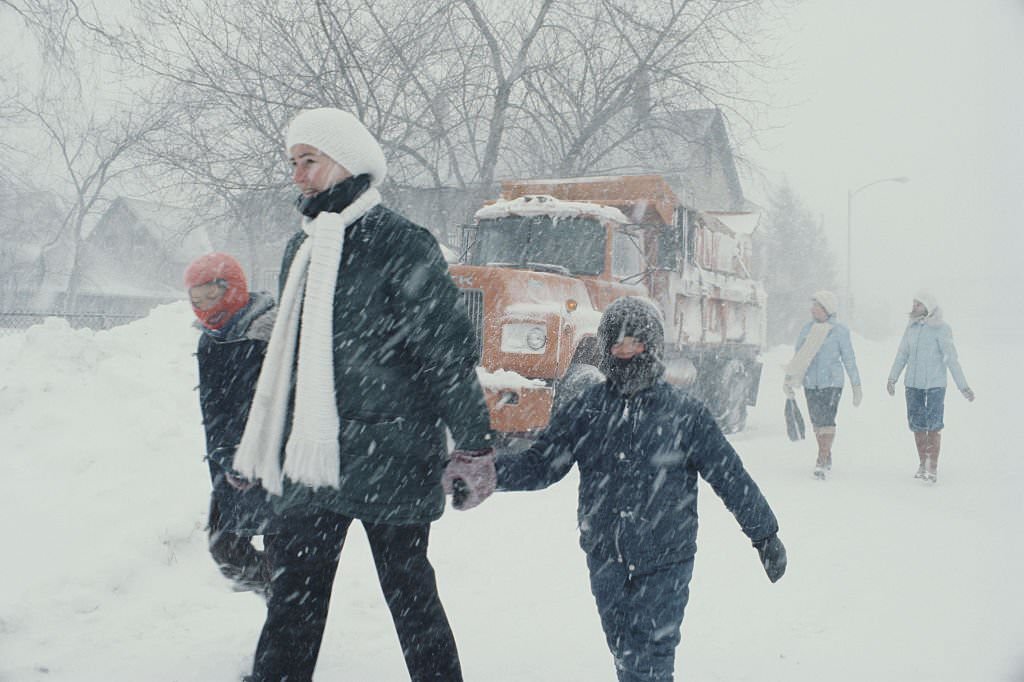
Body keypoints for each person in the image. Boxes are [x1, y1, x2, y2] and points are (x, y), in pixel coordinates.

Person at [231, 107, 495, 682]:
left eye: (309, 161)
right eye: (293, 163)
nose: (298, 176)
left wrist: (473, 444)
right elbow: (291, 361)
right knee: (293, 603)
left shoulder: (402, 243)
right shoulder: (299, 249)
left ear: (345, 162)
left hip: (391, 456)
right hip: (312, 459)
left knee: (411, 598)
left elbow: (445, 352)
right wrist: (260, 444)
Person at [496, 297, 786, 682]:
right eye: (616, 345)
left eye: (635, 343)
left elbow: (731, 477)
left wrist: (765, 534)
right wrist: (484, 472)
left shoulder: (686, 414)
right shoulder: (587, 409)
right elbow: (539, 466)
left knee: (649, 658)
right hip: (605, 554)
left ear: (651, 346)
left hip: (667, 557)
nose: (625, 352)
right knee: (624, 652)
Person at [185, 252, 277, 595]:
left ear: (234, 287)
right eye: (198, 297)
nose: (206, 304)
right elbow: (214, 410)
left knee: (284, 551)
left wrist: (258, 453)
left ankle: (285, 628)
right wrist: (227, 455)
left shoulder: (270, 334)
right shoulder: (210, 341)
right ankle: (275, 590)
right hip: (230, 465)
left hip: (276, 466)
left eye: (213, 293)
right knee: (224, 550)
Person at [886, 292, 974, 483]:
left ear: (928, 307)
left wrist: (963, 386)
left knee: (933, 426)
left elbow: (951, 359)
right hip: (913, 385)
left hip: (935, 385)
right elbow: (902, 354)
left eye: (918, 304)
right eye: (914, 304)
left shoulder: (941, 329)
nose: (914, 307)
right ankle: (922, 463)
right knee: (917, 425)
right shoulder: (911, 328)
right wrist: (892, 378)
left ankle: (931, 467)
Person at [783, 290, 862, 480]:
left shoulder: (840, 332)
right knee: (817, 422)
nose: (812, 309)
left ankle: (821, 458)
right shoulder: (807, 329)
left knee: (827, 420)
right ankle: (826, 452)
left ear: (826, 308)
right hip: (811, 382)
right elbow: (799, 356)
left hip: (832, 383)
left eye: (816, 305)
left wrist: (856, 385)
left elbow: (849, 359)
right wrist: (790, 378)